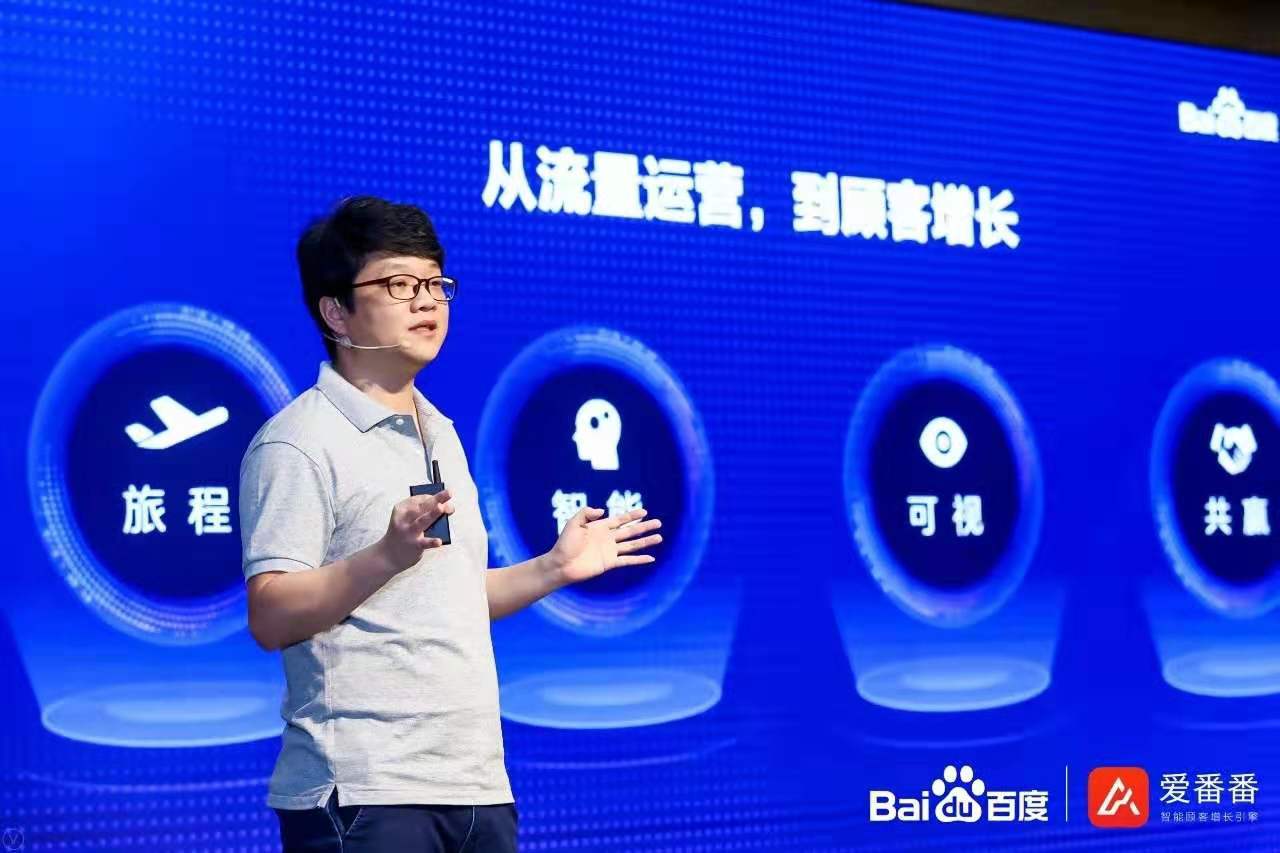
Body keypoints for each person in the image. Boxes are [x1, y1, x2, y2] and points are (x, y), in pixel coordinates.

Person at [237, 195, 663, 852]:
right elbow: (271, 614)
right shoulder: (298, 442)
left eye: (436, 284)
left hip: (476, 786)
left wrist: (553, 568)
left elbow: (448, 597)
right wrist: (383, 556)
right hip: (366, 794)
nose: (427, 302)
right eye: (399, 285)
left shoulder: (440, 433)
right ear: (336, 311)